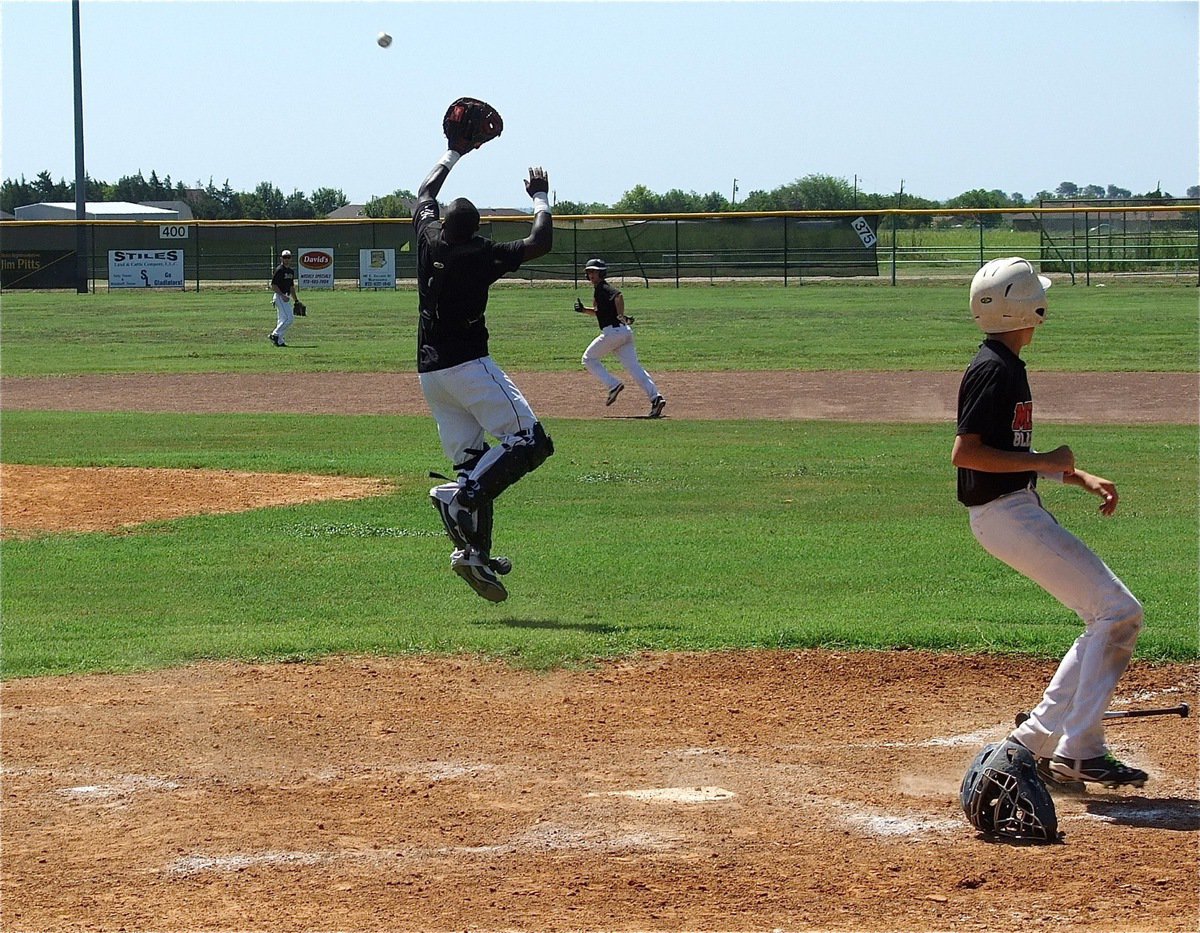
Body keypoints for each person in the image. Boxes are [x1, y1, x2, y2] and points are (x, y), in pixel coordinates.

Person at [952, 256, 1147, 789]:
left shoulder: (1004, 362)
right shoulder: (995, 368)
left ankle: (1043, 744)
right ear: (1027, 308)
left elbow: (1007, 449)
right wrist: (1046, 462)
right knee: (1118, 612)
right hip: (1004, 515)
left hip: (1015, 510)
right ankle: (1073, 749)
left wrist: (1071, 474)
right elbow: (967, 454)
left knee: (1106, 615)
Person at [415, 139, 555, 603]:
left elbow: (425, 192)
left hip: (431, 375)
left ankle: (475, 554)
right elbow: (540, 242)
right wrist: (539, 196)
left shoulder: (429, 237)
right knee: (529, 441)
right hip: (469, 367)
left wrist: (452, 153)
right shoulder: (477, 256)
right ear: (474, 234)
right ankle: (460, 497)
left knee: (478, 465)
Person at [576, 258, 666, 418]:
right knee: (634, 368)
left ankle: (613, 385)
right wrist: (584, 310)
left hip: (613, 333)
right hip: (623, 333)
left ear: (601, 273)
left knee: (588, 359)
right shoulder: (599, 290)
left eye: (594, 272)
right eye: (589, 272)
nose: (591, 275)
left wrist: (620, 315)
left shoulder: (603, 288)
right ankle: (656, 398)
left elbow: (618, 295)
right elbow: (600, 313)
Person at [269, 249, 298, 347]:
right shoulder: (279, 270)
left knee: (282, 319)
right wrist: (282, 295)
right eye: (285, 257)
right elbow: (273, 285)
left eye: (288, 257)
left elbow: (291, 287)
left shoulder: (290, 271)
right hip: (279, 296)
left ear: (291, 258)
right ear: (281, 258)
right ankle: (275, 334)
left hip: (286, 296)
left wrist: (296, 300)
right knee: (289, 318)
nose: (287, 259)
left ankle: (279, 341)